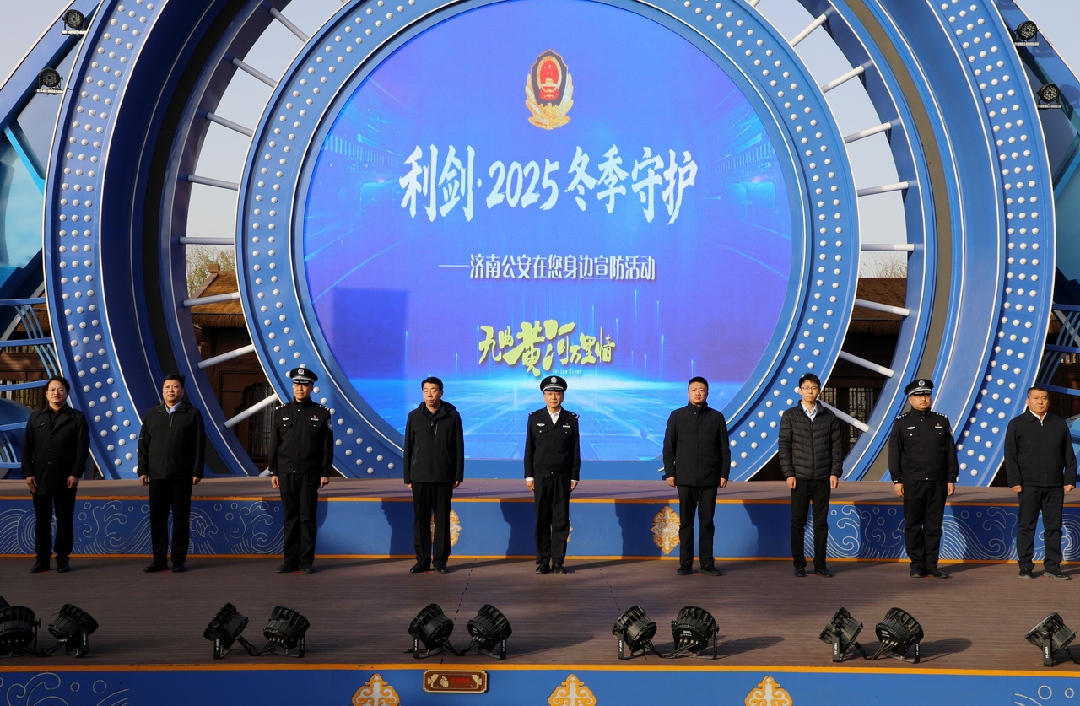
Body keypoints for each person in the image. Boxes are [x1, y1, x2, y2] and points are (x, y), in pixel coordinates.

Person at [887, 379, 959, 579]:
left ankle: (932, 564)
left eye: (926, 395)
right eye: (919, 396)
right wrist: (897, 480)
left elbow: (950, 452)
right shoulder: (902, 422)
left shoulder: (941, 421)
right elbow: (895, 453)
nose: (923, 399)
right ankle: (917, 565)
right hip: (913, 481)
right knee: (913, 525)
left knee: (934, 525)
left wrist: (951, 478)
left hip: (937, 481)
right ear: (910, 399)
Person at [1005, 385, 1076, 580]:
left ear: (1048, 401)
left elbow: (1068, 454)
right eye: (1036, 398)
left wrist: (1069, 479)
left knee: (1054, 527)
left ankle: (1052, 567)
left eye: (1044, 398)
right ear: (1028, 401)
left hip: (1054, 486)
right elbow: (1010, 455)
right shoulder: (1017, 424)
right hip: (1028, 485)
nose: (1040, 401)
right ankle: (1025, 567)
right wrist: (1015, 481)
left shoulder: (1059, 423)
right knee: (1026, 526)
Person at [662, 376, 730, 576]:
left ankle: (707, 564)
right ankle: (685, 564)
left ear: (707, 393)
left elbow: (724, 449)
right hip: (685, 478)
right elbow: (668, 447)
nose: (697, 393)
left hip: (710, 478)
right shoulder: (677, 416)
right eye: (694, 389)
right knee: (686, 523)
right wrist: (670, 472)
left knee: (707, 523)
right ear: (688, 393)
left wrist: (723, 473)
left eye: (701, 390)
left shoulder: (716, 417)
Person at [138, 374, 205, 573]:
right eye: (167, 387)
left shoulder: (192, 414)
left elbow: (199, 445)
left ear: (182, 391)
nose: (171, 390)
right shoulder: (152, 414)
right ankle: (159, 560)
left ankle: (178, 560)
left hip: (181, 475)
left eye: (175, 387)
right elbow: (143, 444)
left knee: (181, 519)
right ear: (162, 390)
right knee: (157, 520)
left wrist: (196, 471)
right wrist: (143, 469)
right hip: (157, 475)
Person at [269, 366, 333, 574]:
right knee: (290, 517)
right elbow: (274, 444)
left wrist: (325, 472)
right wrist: (274, 471)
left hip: (310, 473)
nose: (300, 388)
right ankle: (290, 561)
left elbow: (326, 446)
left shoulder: (321, 413)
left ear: (311, 387)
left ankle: (306, 561)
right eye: (297, 384)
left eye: (304, 385)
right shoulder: (281, 412)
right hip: (286, 472)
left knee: (307, 517)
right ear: (292, 387)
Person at [22, 375, 89, 573]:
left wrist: (75, 473)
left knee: (64, 520)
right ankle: (42, 560)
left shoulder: (77, 418)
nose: (56, 393)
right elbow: (27, 448)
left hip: (65, 478)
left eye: (60, 390)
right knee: (41, 521)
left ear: (67, 393)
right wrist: (28, 473)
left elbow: (82, 449)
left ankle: (62, 559)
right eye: (52, 390)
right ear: (46, 394)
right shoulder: (36, 418)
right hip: (40, 478)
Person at [779, 373, 842, 578]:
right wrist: (789, 473)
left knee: (821, 523)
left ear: (819, 390)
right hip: (800, 477)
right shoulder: (790, 415)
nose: (810, 391)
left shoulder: (828, 416)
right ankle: (799, 564)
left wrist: (835, 472)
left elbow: (836, 447)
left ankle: (820, 565)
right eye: (806, 388)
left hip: (823, 478)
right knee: (798, 522)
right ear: (800, 390)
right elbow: (784, 446)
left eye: (814, 388)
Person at [403, 376, 464, 574]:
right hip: (420, 476)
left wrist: (457, 474)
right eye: (426, 390)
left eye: (434, 390)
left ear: (441, 393)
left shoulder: (452, 416)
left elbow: (458, 447)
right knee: (420, 520)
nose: (430, 394)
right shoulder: (414, 416)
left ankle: (440, 560)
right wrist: (407, 476)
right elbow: (408, 447)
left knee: (442, 521)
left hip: (444, 476)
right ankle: (422, 560)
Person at [525, 375, 580, 574]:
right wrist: (529, 476)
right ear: (544, 396)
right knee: (542, 519)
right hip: (540, 476)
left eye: (557, 393)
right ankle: (542, 561)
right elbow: (529, 449)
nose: (553, 397)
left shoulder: (570, 419)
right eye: (549, 393)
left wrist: (574, 476)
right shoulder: (535, 418)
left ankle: (558, 561)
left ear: (562, 396)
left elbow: (575, 450)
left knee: (560, 520)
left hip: (563, 477)